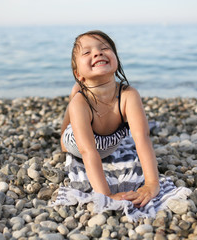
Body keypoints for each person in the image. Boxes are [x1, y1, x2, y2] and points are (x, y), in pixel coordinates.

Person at [60, 30, 160, 208]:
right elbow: (88, 152)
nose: (97, 53)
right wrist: (106, 194)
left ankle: (76, 89)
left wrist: (152, 184)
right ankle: (74, 94)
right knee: (67, 131)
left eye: (104, 48)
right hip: (77, 143)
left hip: (108, 144)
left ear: (116, 60)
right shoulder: (81, 103)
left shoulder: (129, 95)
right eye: (87, 52)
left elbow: (142, 138)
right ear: (78, 74)